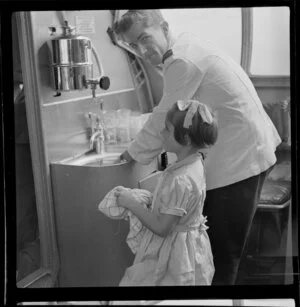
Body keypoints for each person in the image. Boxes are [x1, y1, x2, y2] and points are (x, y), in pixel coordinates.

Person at [113, 10, 281, 285]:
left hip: (239, 159)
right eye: (133, 45)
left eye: (144, 38)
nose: (142, 50)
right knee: (220, 249)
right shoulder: (184, 47)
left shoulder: (183, 59)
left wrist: (130, 154)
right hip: (245, 150)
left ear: (164, 27)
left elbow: (162, 116)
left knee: (222, 253)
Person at [115, 99, 218, 286]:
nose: (161, 133)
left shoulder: (180, 179)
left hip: (174, 251)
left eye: (167, 130)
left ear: (185, 139)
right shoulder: (195, 161)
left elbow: (162, 228)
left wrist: (131, 202)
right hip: (191, 244)